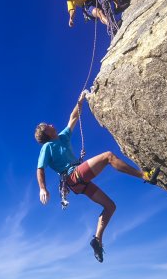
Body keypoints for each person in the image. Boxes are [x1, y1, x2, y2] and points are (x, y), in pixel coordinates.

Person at [34, 90, 159, 263]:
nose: (51, 124)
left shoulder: (62, 137)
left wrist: (81, 99)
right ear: (47, 133)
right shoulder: (47, 147)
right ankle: (145, 175)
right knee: (108, 156)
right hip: (73, 177)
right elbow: (40, 168)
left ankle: (97, 240)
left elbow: (73, 117)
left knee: (110, 206)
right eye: (47, 125)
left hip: (78, 183)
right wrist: (42, 188)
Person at [56, 0, 128, 28]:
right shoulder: (69, 0)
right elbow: (72, 10)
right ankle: (111, 25)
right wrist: (71, 18)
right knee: (99, 12)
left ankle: (117, 7)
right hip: (87, 5)